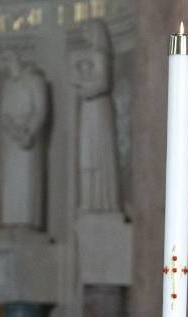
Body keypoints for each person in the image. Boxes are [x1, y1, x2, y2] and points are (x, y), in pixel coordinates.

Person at [71, 19, 120, 213]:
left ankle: (102, 201)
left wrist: (83, 88)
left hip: (98, 107)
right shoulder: (89, 54)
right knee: (87, 155)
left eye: (87, 31)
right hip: (88, 108)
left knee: (98, 153)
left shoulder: (100, 54)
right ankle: (88, 201)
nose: (85, 36)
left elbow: (104, 83)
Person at [0, 51, 48, 229]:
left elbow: (41, 110)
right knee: (12, 182)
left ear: (19, 59)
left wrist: (28, 132)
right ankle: (13, 221)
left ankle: (27, 222)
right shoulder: (8, 85)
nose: (8, 63)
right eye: (5, 60)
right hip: (12, 137)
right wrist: (13, 130)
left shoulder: (34, 80)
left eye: (10, 58)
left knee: (26, 181)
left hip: (28, 136)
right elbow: (4, 114)